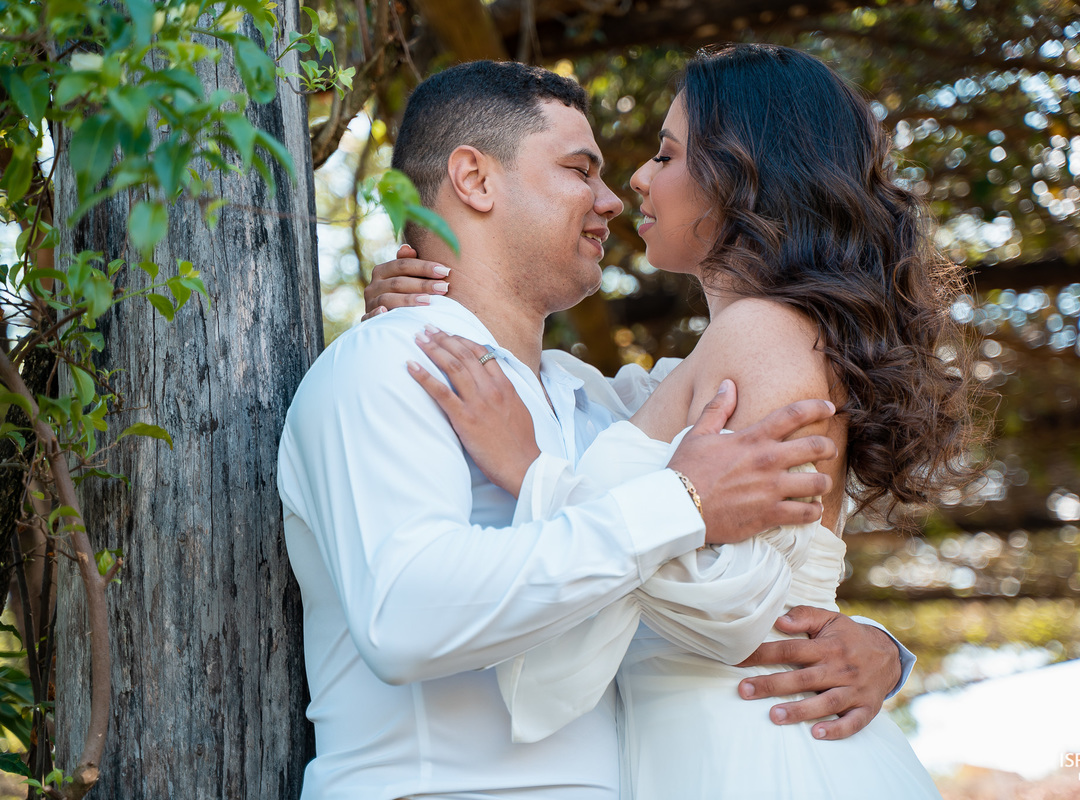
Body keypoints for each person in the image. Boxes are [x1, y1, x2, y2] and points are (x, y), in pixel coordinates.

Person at [279, 59, 913, 800]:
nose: (616, 197)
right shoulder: (394, 365)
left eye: (659, 158)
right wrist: (681, 503)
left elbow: (733, 583)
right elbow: (403, 616)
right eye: (581, 170)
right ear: (475, 180)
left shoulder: (596, 402)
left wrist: (880, 649)